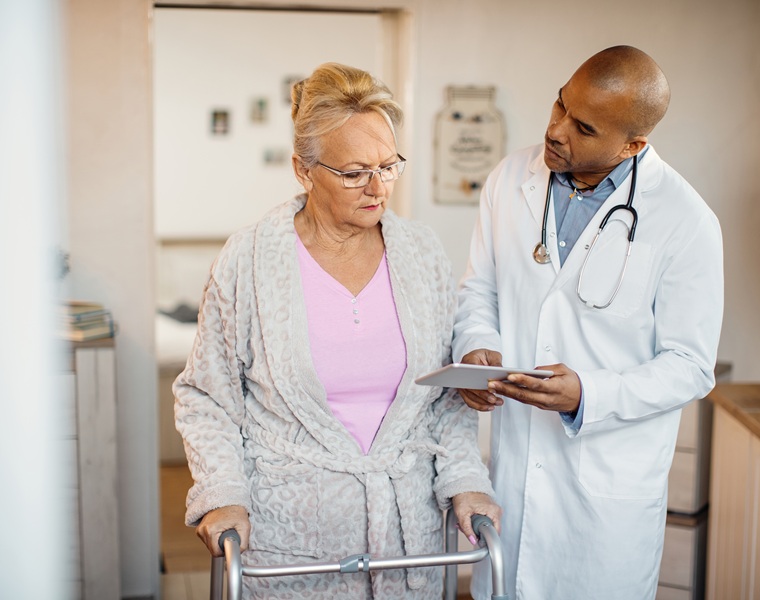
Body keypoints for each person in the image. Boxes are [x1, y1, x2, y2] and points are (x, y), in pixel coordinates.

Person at [174, 62, 500, 599]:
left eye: (388, 166)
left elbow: (445, 400)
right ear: (303, 170)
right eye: (354, 173)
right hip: (290, 542)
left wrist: (467, 482)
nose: (377, 188)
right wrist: (223, 493)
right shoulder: (249, 259)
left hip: (408, 541)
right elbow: (207, 396)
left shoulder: (420, 253)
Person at [452, 46, 724, 599]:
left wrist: (588, 395)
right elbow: (480, 289)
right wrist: (478, 347)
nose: (556, 130)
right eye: (560, 105)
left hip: (605, 503)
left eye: (584, 127)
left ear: (632, 145)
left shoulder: (685, 220)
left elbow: (691, 366)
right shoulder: (510, 178)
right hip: (513, 479)